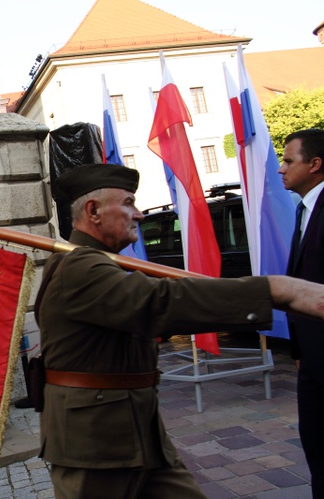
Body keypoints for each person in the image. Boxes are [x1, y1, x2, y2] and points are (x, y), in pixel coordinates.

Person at [36, 163, 324, 499]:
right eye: (128, 203)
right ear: (93, 210)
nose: (139, 214)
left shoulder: (98, 262)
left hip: (137, 432)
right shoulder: (80, 266)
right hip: (95, 443)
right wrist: (276, 290)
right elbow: (159, 303)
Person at [279, 128, 324, 498]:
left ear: (315, 164)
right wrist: (298, 350)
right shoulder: (303, 209)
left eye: (288, 160)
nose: (281, 168)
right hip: (311, 358)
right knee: (316, 446)